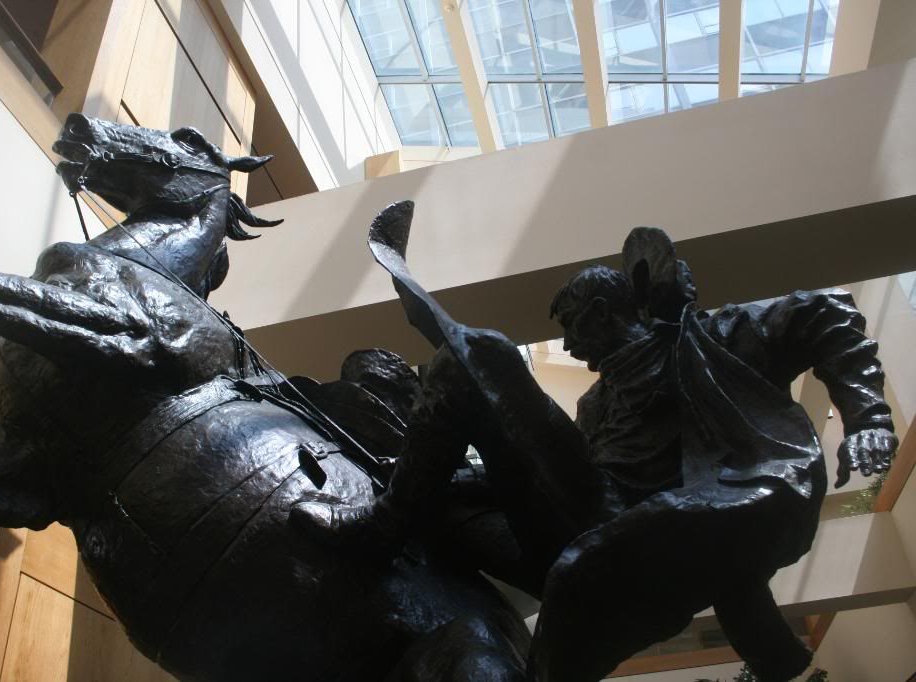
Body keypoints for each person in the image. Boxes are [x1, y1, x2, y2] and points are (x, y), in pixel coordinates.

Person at [293, 216, 897, 681]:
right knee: (444, 503)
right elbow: (542, 474)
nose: (572, 349)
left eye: (573, 328)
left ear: (603, 312)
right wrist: (423, 472)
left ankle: (385, 525)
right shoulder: (594, 406)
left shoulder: (708, 341)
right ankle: (404, 552)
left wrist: (868, 418)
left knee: (479, 355)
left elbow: (826, 314)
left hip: (639, 537)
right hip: (577, 528)